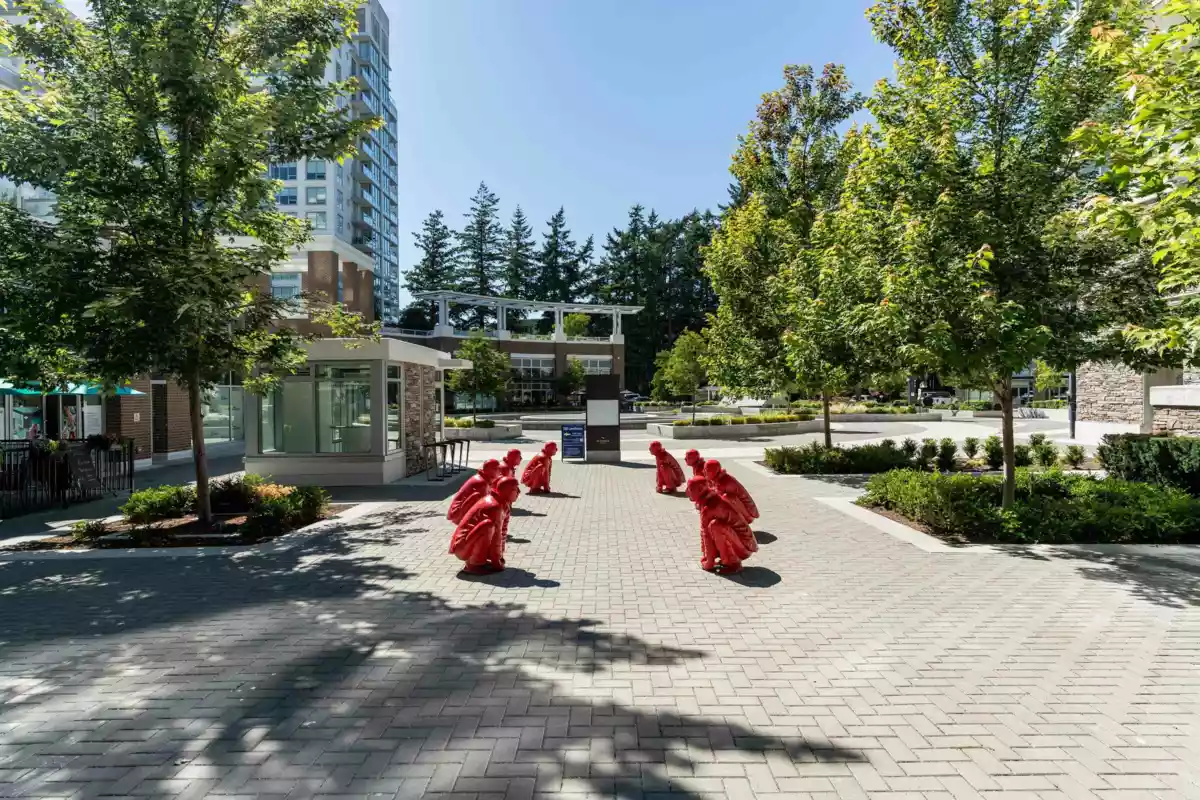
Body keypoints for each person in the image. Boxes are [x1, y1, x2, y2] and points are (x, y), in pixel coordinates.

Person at [449, 477, 520, 573]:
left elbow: (503, 532)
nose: (519, 492)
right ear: (506, 491)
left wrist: (499, 556)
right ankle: (474, 564)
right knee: (488, 525)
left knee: (490, 527)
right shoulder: (495, 506)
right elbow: (497, 537)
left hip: (466, 544)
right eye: (515, 489)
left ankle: (480, 560)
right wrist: (496, 562)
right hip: (462, 548)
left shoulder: (502, 504)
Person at [686, 476, 752, 574]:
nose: (687, 492)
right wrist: (706, 556)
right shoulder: (710, 499)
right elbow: (705, 533)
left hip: (745, 547)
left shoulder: (709, 507)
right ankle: (725, 558)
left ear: (700, 489)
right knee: (713, 527)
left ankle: (733, 563)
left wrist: (709, 563)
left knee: (715, 526)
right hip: (744, 542)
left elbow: (706, 536)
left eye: (690, 489)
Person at [448, 459, 501, 524]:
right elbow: (483, 504)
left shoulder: (482, 478)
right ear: (491, 470)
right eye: (497, 469)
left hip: (458, 511)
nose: (500, 472)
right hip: (458, 513)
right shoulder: (482, 483)